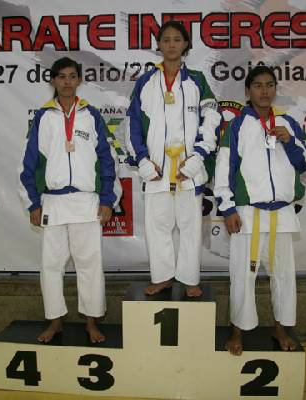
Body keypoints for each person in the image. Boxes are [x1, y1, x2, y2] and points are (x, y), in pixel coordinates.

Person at [214, 66, 306, 354]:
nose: (264, 91)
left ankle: (281, 329)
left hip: (281, 213)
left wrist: (290, 140)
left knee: (283, 275)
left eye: (270, 85)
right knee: (242, 275)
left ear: (275, 89)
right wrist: (228, 208)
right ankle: (238, 331)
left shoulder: (289, 123)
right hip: (247, 213)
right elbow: (224, 170)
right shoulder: (236, 126)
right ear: (248, 91)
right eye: (258, 85)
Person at [19, 57, 116, 343]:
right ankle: (55, 321)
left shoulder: (91, 115)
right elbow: (28, 163)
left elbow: (108, 159)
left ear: (79, 80)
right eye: (61, 76)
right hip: (53, 202)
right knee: (51, 266)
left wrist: (107, 199)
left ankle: (91, 322)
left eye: (72, 76)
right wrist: (33, 203)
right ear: (53, 80)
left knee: (90, 265)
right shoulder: (43, 116)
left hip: (86, 202)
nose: (67, 82)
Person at [125, 21, 221, 297]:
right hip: (156, 168)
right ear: (158, 45)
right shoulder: (145, 82)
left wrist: (198, 157)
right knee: (157, 227)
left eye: (177, 39)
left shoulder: (197, 81)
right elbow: (132, 124)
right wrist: (143, 161)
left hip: (189, 167)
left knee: (190, 227)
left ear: (186, 44)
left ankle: (190, 278)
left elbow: (212, 119)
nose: (171, 45)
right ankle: (163, 277)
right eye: (166, 40)